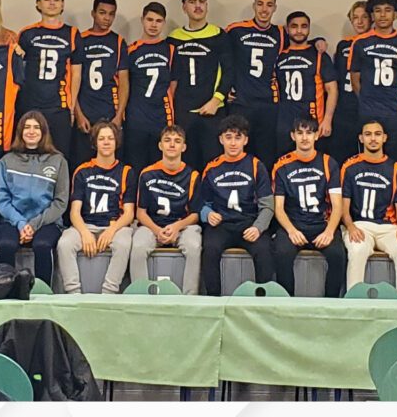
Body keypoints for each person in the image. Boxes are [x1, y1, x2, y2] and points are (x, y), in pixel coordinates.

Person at [198, 114, 275, 296]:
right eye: (229, 137)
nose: (233, 143)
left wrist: (258, 228)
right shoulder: (212, 168)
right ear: (221, 139)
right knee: (210, 249)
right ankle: (214, 300)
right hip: (222, 225)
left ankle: (263, 300)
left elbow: (268, 204)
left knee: (264, 250)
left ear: (245, 140)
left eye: (238, 137)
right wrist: (208, 214)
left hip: (248, 223)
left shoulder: (256, 166)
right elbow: (201, 203)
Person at [57, 121, 135, 294]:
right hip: (87, 224)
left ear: (117, 142)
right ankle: (73, 293)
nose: (106, 142)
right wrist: (84, 232)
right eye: (102, 139)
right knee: (64, 243)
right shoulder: (82, 171)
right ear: (95, 143)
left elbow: (129, 213)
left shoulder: (126, 172)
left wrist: (111, 230)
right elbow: (74, 211)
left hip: (115, 225)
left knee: (123, 243)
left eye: (110, 138)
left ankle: (109, 292)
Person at [272, 117, 346, 297]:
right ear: (292, 136)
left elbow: (338, 206)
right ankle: (287, 303)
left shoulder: (329, 163)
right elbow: (278, 207)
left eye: (309, 132)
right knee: (282, 253)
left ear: (316, 136)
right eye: (300, 133)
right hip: (294, 224)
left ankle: (331, 303)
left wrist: (329, 232)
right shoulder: (281, 165)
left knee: (338, 255)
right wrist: (291, 230)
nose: (304, 138)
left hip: (321, 223)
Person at [340, 119, 397, 298]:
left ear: (384, 138)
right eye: (368, 134)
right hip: (359, 225)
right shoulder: (349, 167)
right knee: (357, 250)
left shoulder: (395, 169)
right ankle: (353, 303)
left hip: (388, 226)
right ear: (361, 138)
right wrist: (350, 227)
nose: (373, 139)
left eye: (377, 134)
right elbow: (343, 207)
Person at [0, 110, 69, 286]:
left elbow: (60, 201)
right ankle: (4, 289)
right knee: (6, 244)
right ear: (20, 132)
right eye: (27, 127)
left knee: (42, 245)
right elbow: (2, 199)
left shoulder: (58, 161)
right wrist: (21, 223)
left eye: (36, 127)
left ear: (43, 132)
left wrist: (34, 225)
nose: (31, 131)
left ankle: (43, 293)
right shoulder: (7, 161)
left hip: (47, 222)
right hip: (12, 221)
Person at [129, 125, 202, 294]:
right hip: (152, 225)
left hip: (182, 226)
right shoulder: (147, 174)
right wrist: (157, 230)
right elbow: (140, 213)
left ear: (183, 147)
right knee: (138, 246)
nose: (172, 145)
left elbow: (195, 215)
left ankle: (189, 298)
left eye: (177, 141)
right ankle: (140, 298)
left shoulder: (192, 176)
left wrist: (177, 227)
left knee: (193, 246)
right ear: (160, 145)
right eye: (167, 140)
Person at [169, 0, 234, 170]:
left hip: (212, 112)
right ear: (184, 7)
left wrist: (216, 100)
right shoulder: (174, 38)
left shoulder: (219, 35)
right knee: (185, 167)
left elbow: (229, 71)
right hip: (183, 113)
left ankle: (210, 201)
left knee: (212, 167)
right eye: (192, 2)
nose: (198, 6)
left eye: (202, 1)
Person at [15, 0, 82, 160]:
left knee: (59, 155)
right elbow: (16, 68)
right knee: (29, 153)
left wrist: (71, 106)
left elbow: (76, 74)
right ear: (38, 4)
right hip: (30, 102)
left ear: (62, 5)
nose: (52, 3)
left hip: (58, 105)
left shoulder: (73, 33)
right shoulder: (27, 33)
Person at [349, 0, 397, 165]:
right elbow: (355, 78)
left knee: (396, 159)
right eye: (377, 10)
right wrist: (368, 98)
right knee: (368, 158)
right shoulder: (360, 43)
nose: (382, 15)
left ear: (396, 14)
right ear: (372, 14)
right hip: (369, 109)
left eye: (388, 10)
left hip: (396, 110)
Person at [226, 0, 284, 171]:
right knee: (238, 152)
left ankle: (265, 196)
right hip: (241, 102)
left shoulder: (281, 33)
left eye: (269, 5)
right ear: (254, 6)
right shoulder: (235, 30)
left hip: (268, 103)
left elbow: (302, 41)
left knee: (266, 154)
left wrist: (318, 41)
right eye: (260, 4)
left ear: (275, 8)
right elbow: (220, 58)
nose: (264, 9)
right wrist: (223, 89)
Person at [72, 0, 129, 167]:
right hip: (85, 111)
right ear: (93, 13)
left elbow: (124, 82)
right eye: (102, 13)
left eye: (111, 14)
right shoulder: (80, 39)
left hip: (109, 111)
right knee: (82, 165)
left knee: (110, 164)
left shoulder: (118, 42)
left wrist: (119, 115)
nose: (107, 18)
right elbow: (73, 79)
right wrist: (78, 113)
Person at [274, 11, 338, 156]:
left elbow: (332, 89)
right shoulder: (280, 55)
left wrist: (327, 120)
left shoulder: (319, 54)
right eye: (294, 26)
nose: (299, 30)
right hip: (285, 121)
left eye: (304, 26)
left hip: (313, 120)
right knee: (285, 163)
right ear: (287, 29)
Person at [124, 2, 175, 174]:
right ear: (142, 20)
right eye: (150, 19)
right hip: (136, 118)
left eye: (159, 21)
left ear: (164, 23)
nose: (154, 25)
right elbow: (124, 84)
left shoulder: (170, 49)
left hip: (161, 118)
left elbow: (174, 83)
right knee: (135, 168)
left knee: (159, 169)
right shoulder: (130, 50)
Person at [330, 2, 367, 163]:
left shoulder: (373, 43)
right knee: (342, 153)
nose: (359, 22)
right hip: (344, 107)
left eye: (364, 17)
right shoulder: (343, 45)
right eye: (355, 18)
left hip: (366, 105)